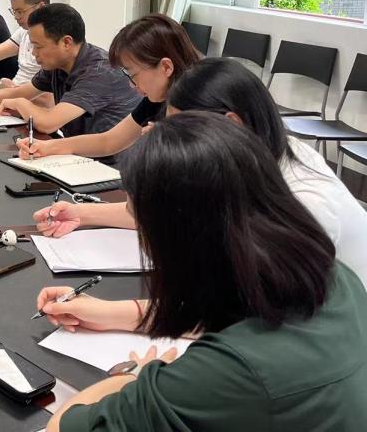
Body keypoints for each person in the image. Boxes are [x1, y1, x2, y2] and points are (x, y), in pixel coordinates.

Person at [42, 112, 367, 431]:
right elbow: (236, 314)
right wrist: (111, 314)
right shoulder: (333, 277)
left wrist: (133, 376)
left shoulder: (225, 373)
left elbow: (60, 427)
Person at [34, 57, 367, 287]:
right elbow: (172, 214)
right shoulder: (252, 157)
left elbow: (248, 313)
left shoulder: (304, 202)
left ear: (231, 123)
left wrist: (121, 314)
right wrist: (82, 213)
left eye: (186, 129)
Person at [17, 14, 199, 160]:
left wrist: (171, 145)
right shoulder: (154, 99)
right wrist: (48, 147)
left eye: (133, 75)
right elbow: (109, 141)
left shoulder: (202, 102)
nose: (132, 85)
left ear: (166, 67)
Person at [0, 4, 139, 138]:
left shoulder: (99, 72)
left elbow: (47, 123)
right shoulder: (59, 63)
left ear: (66, 42)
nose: (33, 53)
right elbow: (22, 92)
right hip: (78, 152)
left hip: (108, 160)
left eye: (38, 46)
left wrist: (20, 104)